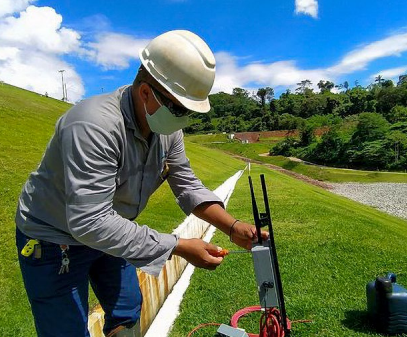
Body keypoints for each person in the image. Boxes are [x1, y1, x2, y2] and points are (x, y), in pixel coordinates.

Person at [15, 30, 268, 337]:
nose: (184, 119)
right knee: (65, 331)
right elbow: (90, 222)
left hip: (108, 225)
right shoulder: (93, 125)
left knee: (127, 307)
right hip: (54, 238)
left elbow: (185, 183)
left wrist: (232, 226)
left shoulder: (166, 129)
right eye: (180, 109)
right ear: (146, 92)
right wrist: (178, 245)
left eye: (190, 112)